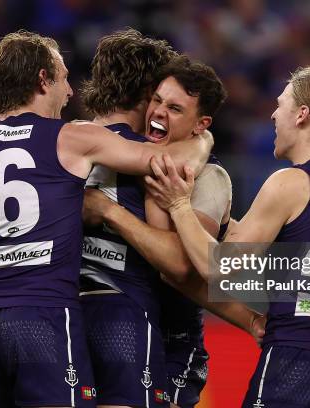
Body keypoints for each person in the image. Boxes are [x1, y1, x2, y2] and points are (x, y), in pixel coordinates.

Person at [0, 30, 213, 408]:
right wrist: (203, 139)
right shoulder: (71, 138)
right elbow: (169, 165)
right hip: (47, 311)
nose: (70, 92)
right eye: (62, 78)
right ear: (42, 79)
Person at [145, 66, 310, 408]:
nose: (273, 114)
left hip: (297, 356)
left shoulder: (290, 182)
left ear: (302, 115)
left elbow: (217, 267)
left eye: (280, 104)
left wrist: (178, 204)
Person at [82, 55, 265, 408]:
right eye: (157, 100)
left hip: (172, 339)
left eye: (176, 108)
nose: (160, 112)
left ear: (201, 124)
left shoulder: (210, 180)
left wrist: (108, 210)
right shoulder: (120, 153)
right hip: (111, 322)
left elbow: (181, 271)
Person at [77, 28, 178, 408]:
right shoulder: (155, 156)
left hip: (59, 312)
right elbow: (177, 265)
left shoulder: (61, 141)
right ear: (149, 91)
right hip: (124, 309)